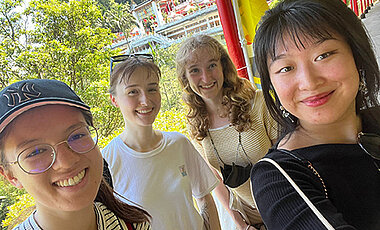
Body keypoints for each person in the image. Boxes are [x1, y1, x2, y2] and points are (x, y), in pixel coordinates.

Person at [250, 0, 380, 229]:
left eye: (324, 55)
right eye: (286, 68)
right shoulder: (279, 177)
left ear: (356, 53)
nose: (309, 82)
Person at [0, 79, 151, 230]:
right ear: (11, 176)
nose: (67, 161)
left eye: (77, 136)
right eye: (35, 152)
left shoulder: (135, 225)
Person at [102, 54, 221, 230]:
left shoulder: (179, 144)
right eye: (133, 92)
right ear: (114, 100)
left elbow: (205, 199)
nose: (145, 100)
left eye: (152, 89)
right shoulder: (107, 161)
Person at [176, 35, 278, 230]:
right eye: (195, 70)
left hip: (282, 202)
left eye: (212, 65)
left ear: (223, 66)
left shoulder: (257, 102)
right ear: (186, 79)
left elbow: (286, 158)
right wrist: (241, 224)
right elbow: (215, 180)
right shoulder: (196, 124)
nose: (206, 78)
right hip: (247, 216)